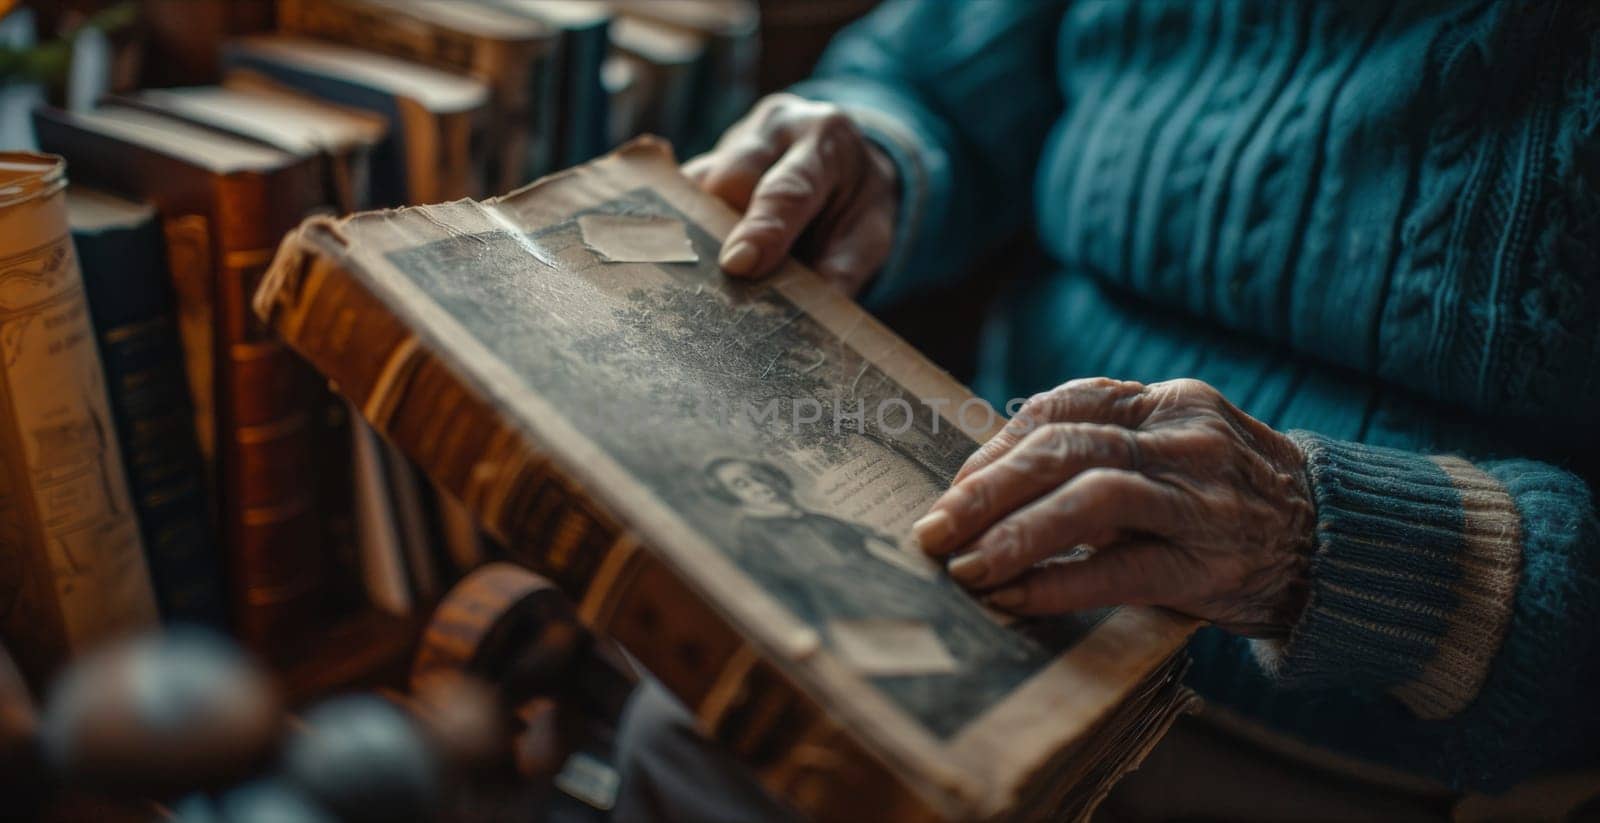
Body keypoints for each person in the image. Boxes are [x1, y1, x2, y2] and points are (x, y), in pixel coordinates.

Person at [616, 1, 1600, 819]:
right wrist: (875, 153)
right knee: (690, 732)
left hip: (1359, 740)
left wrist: (1329, 546)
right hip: (972, 555)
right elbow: (926, 76)